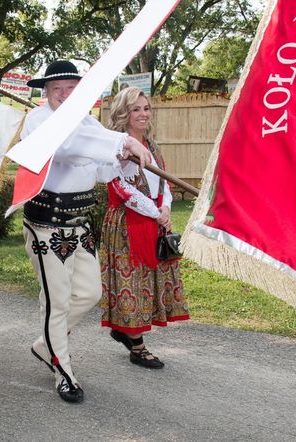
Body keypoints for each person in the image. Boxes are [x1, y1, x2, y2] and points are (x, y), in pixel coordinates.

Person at [21, 60, 151, 403]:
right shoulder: (38, 120)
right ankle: (62, 369)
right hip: (46, 224)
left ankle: (44, 344)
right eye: (57, 89)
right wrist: (121, 140)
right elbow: (67, 146)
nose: (64, 95)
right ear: (46, 92)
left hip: (79, 223)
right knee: (57, 299)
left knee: (90, 293)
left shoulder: (88, 124)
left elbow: (100, 170)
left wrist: (122, 157)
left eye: (71, 88)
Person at [100, 86, 189, 368]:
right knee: (132, 283)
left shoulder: (151, 145)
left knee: (148, 283)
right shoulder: (117, 147)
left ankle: (125, 330)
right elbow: (119, 186)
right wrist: (154, 211)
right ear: (123, 113)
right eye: (135, 109)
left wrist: (165, 208)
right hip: (127, 223)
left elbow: (164, 182)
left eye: (146, 108)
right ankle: (137, 347)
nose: (142, 114)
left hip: (153, 219)